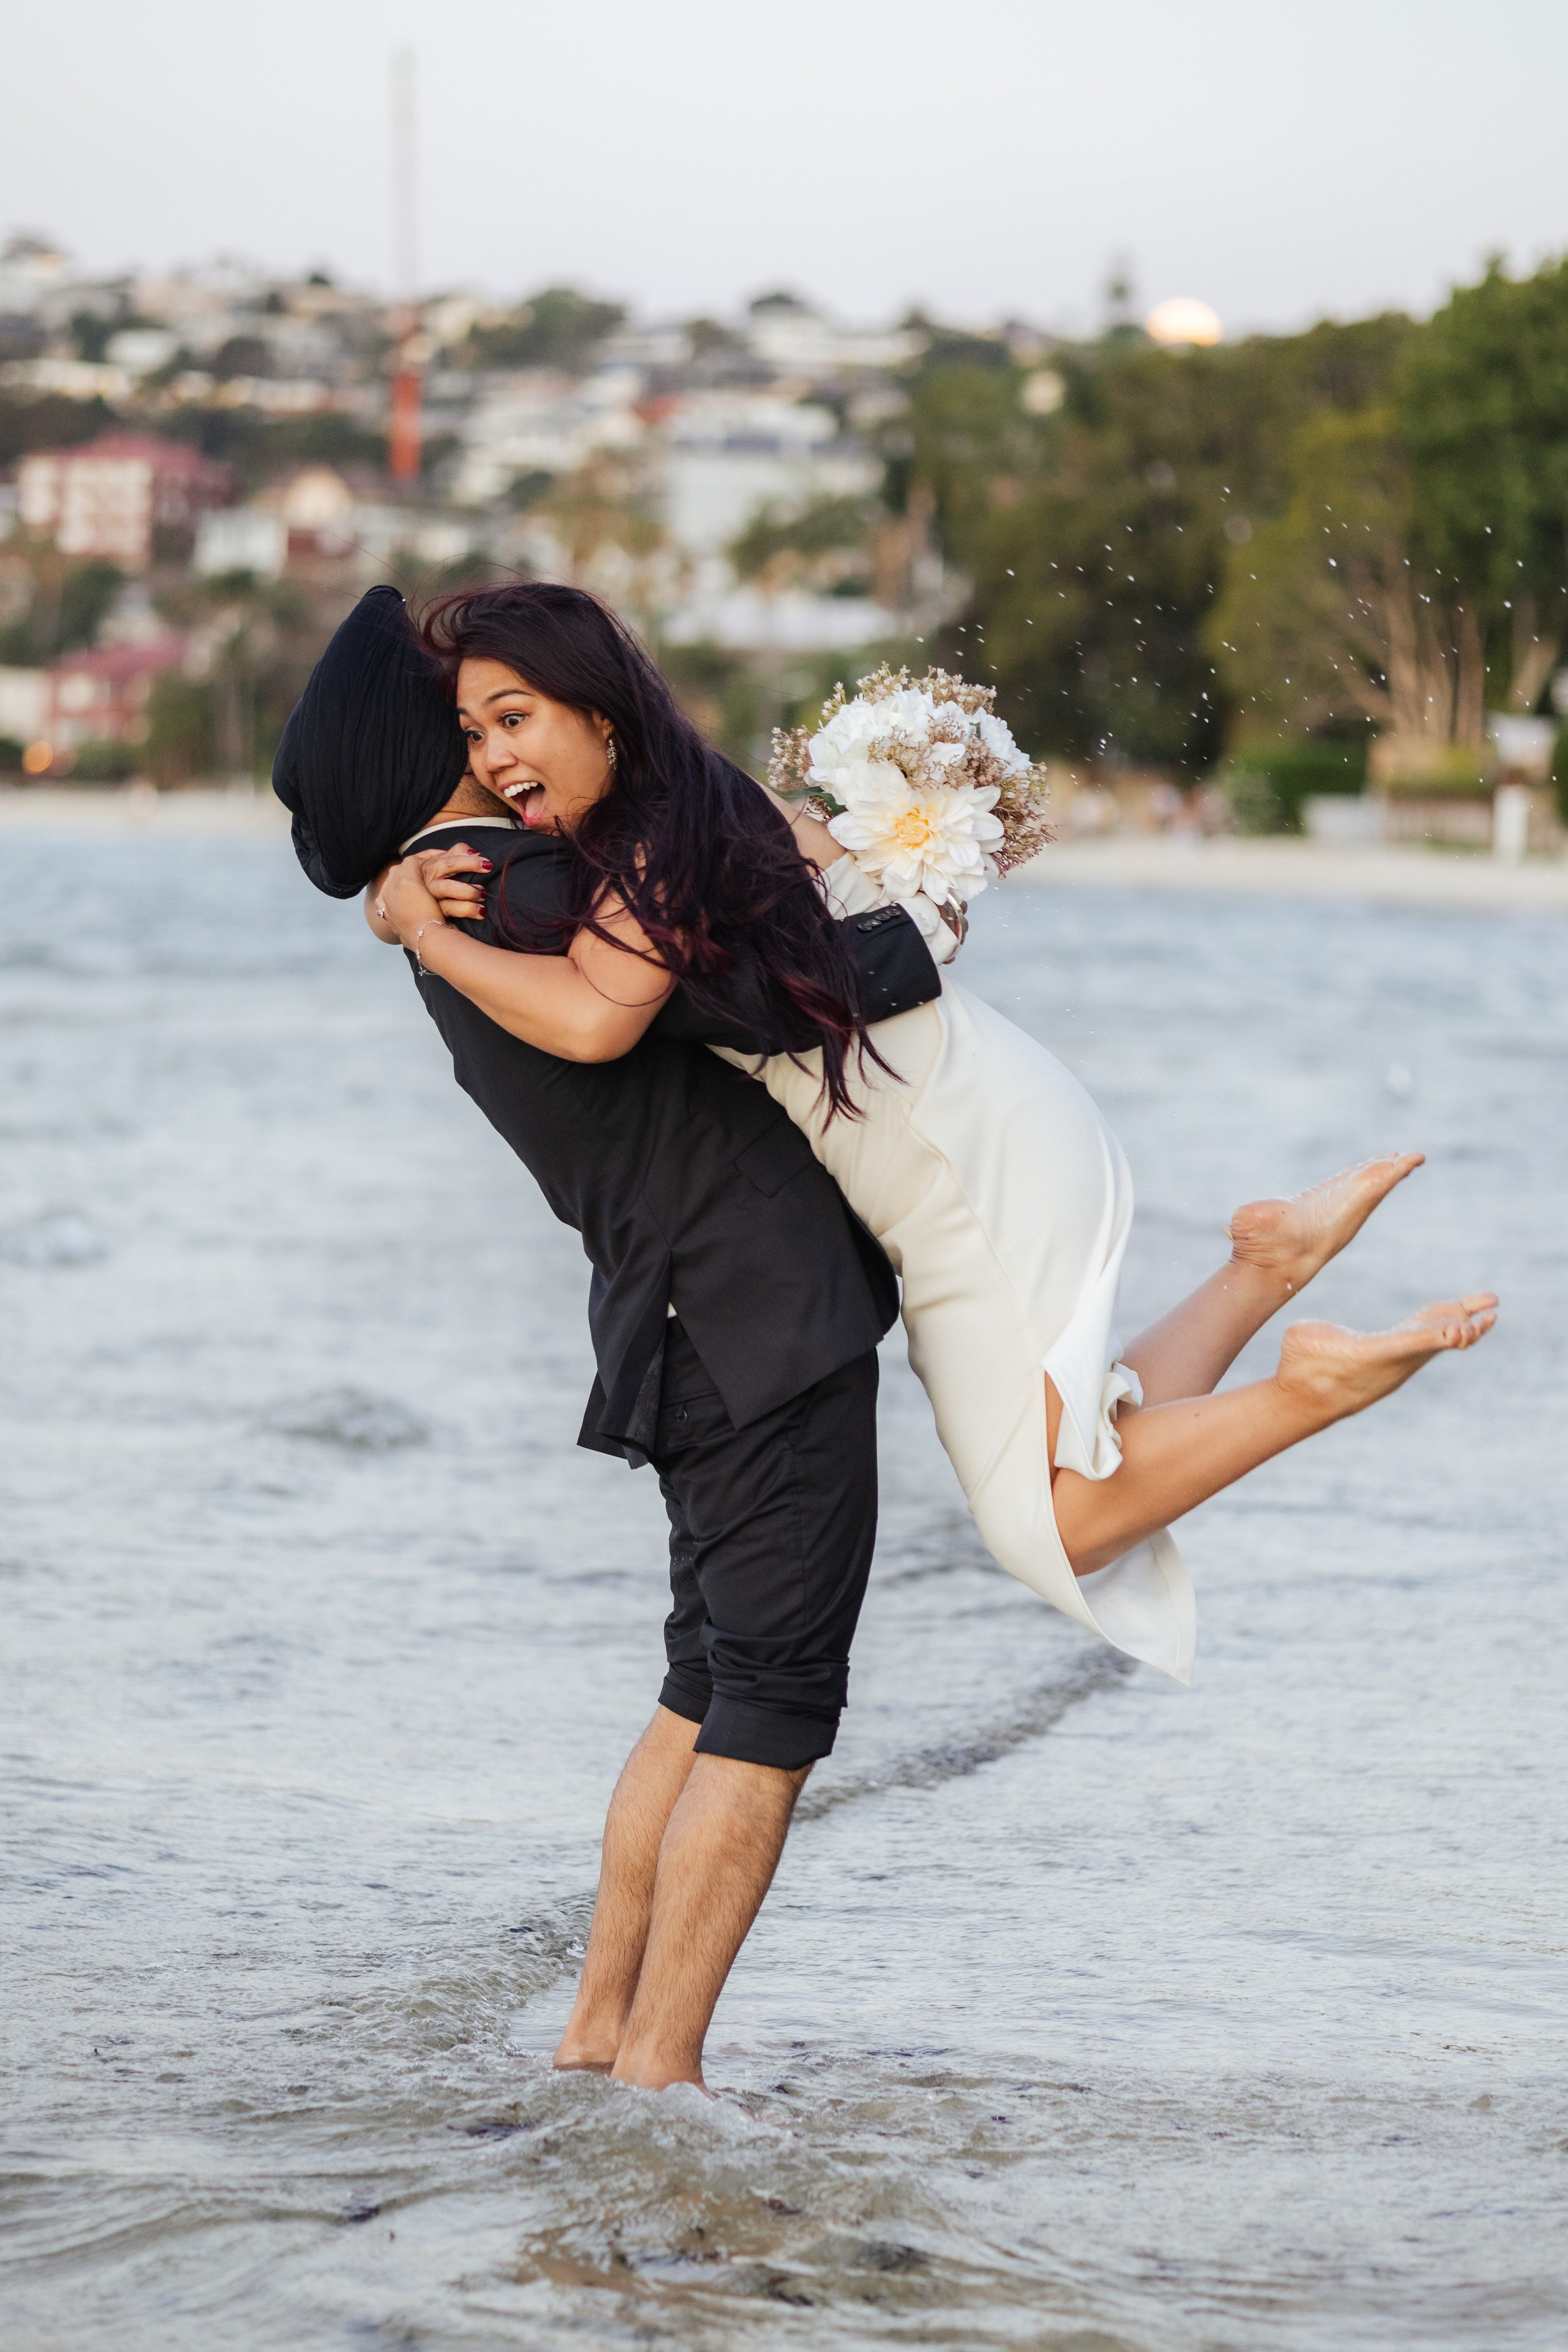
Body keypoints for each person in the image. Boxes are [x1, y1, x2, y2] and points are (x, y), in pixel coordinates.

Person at [275, 587, 948, 2096]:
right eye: (469, 727)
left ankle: (601, 2052)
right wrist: (912, 897)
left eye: (508, 717)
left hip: (685, 1310)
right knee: (769, 1712)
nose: (500, 749)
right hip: (749, 1312)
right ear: (419, 757)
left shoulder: (478, 888)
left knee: (705, 1689)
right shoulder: (498, 892)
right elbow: (824, 988)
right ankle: (661, 2080)